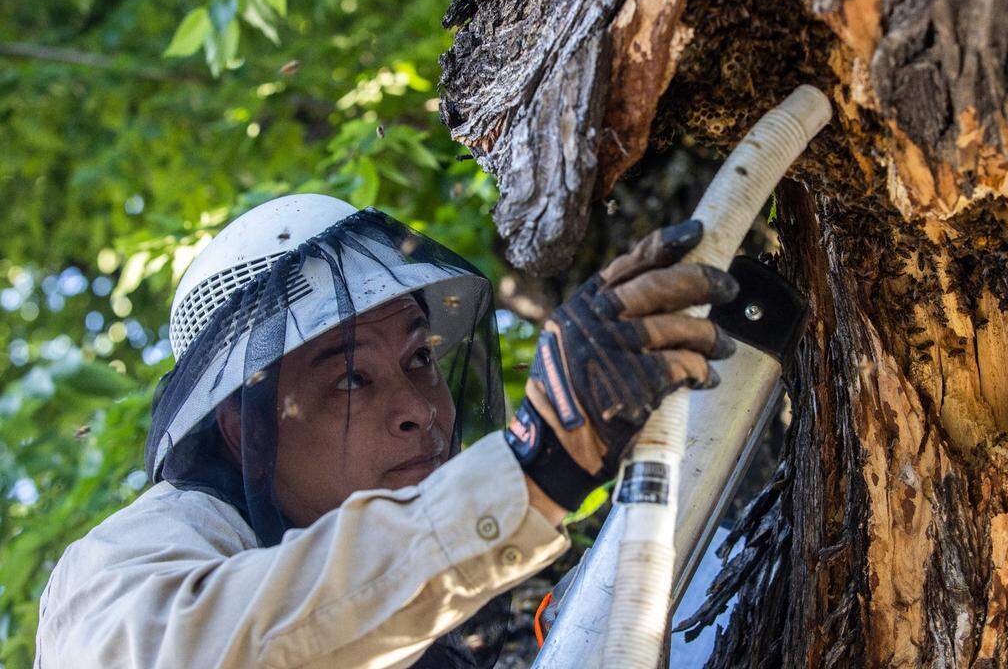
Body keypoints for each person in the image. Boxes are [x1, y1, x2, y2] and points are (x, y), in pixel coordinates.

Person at [34, 194, 738, 668]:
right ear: (246, 432)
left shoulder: (446, 610)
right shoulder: (138, 551)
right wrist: (533, 467)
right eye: (349, 379)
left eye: (419, 359)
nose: (421, 409)